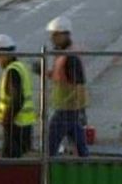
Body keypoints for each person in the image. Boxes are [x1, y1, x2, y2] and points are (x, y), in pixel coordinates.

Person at [34, 16, 89, 157]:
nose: (52, 38)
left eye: (55, 35)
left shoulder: (70, 57)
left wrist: (81, 110)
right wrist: (43, 72)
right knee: (79, 145)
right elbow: (60, 77)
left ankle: (47, 170)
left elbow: (79, 84)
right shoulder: (63, 55)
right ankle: (85, 164)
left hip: (66, 109)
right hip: (69, 109)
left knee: (50, 145)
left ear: (65, 34)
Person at [0, 34, 36, 158]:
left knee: (10, 159)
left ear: (2, 54)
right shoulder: (20, 67)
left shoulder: (12, 71)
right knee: (17, 159)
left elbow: (17, 98)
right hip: (22, 123)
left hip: (15, 125)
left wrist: (6, 119)